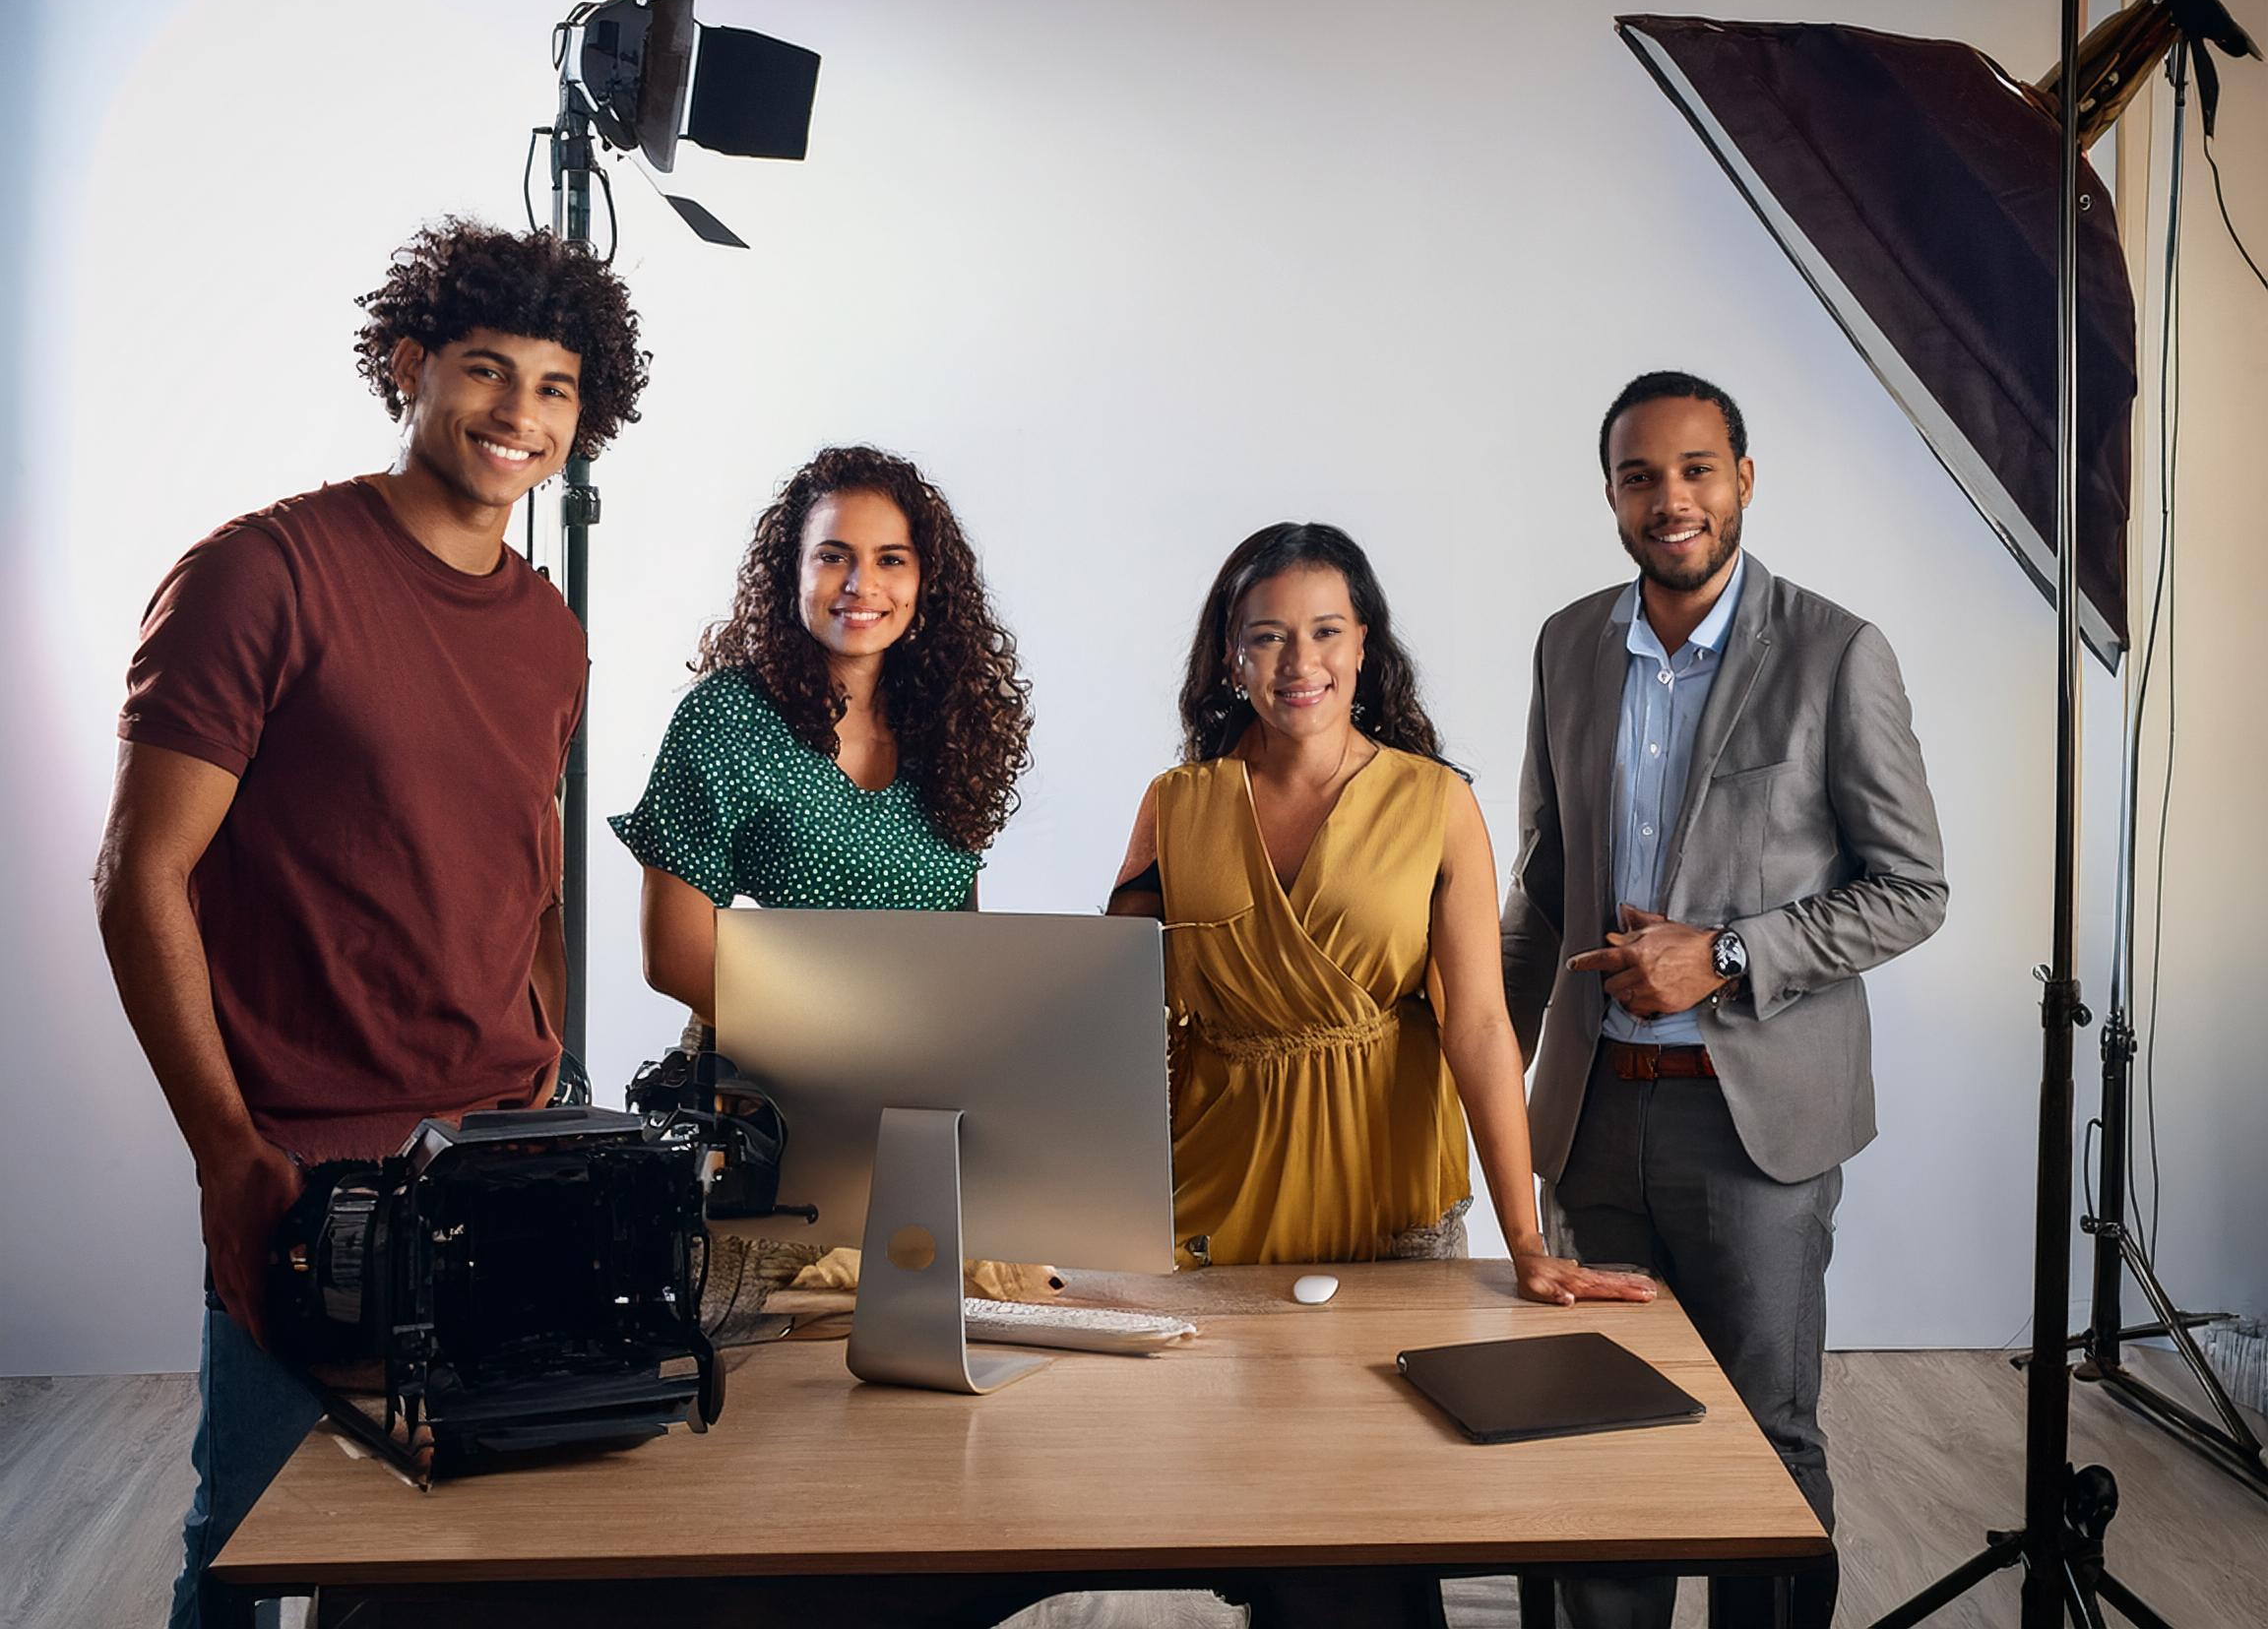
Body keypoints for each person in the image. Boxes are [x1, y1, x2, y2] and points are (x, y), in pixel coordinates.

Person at [93, 219, 649, 1628]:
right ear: (407, 368)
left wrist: (543, 1060)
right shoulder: (261, 575)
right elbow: (138, 877)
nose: (518, 413)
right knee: (252, 1540)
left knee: (460, 1555)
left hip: (487, 1149)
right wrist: (228, 1154)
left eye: (556, 386)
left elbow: (527, 862)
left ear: (587, 418)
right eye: (484, 368)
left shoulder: (548, 629)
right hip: (302, 1163)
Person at [1499, 371, 1948, 1629]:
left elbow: (1913, 887)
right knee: (1593, 1435)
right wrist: (1475, 1062)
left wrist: (1732, 953)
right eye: (1641, 475)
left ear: (1744, 479)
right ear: (1610, 496)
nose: (1671, 498)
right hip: (1590, 1113)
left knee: (1764, 1441)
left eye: (1697, 469)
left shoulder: (1837, 652)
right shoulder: (1565, 644)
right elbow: (1545, 878)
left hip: (1753, 1124)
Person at [1106, 522, 1655, 1306]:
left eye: (1326, 631)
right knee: (1213, 1431)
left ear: (1363, 645)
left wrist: (1526, 1243)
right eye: (1268, 637)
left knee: (1397, 1421)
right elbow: (1112, 1015)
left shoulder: (1437, 802)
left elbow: (1479, 1028)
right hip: (1211, 1192)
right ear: (1232, 656)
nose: (1301, 662)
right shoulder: (1175, 803)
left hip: (1390, 1192)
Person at [612, 444, 1031, 1031]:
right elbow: (674, 959)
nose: (862, 584)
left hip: (922, 1065)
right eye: (834, 557)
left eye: (891, 560)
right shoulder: (728, 719)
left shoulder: (948, 723)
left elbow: (959, 936)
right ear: (794, 572)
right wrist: (844, 1046)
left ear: (925, 580)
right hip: (763, 1073)